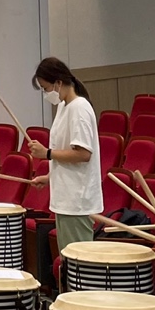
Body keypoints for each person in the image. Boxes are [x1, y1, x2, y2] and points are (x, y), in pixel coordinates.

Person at [26, 56, 101, 251]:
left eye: (46, 88)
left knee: (79, 259)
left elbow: (83, 154)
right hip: (65, 197)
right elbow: (65, 149)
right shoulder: (63, 106)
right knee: (67, 258)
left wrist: (47, 153)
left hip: (77, 200)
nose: (46, 94)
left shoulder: (79, 108)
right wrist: (49, 177)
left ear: (58, 83)